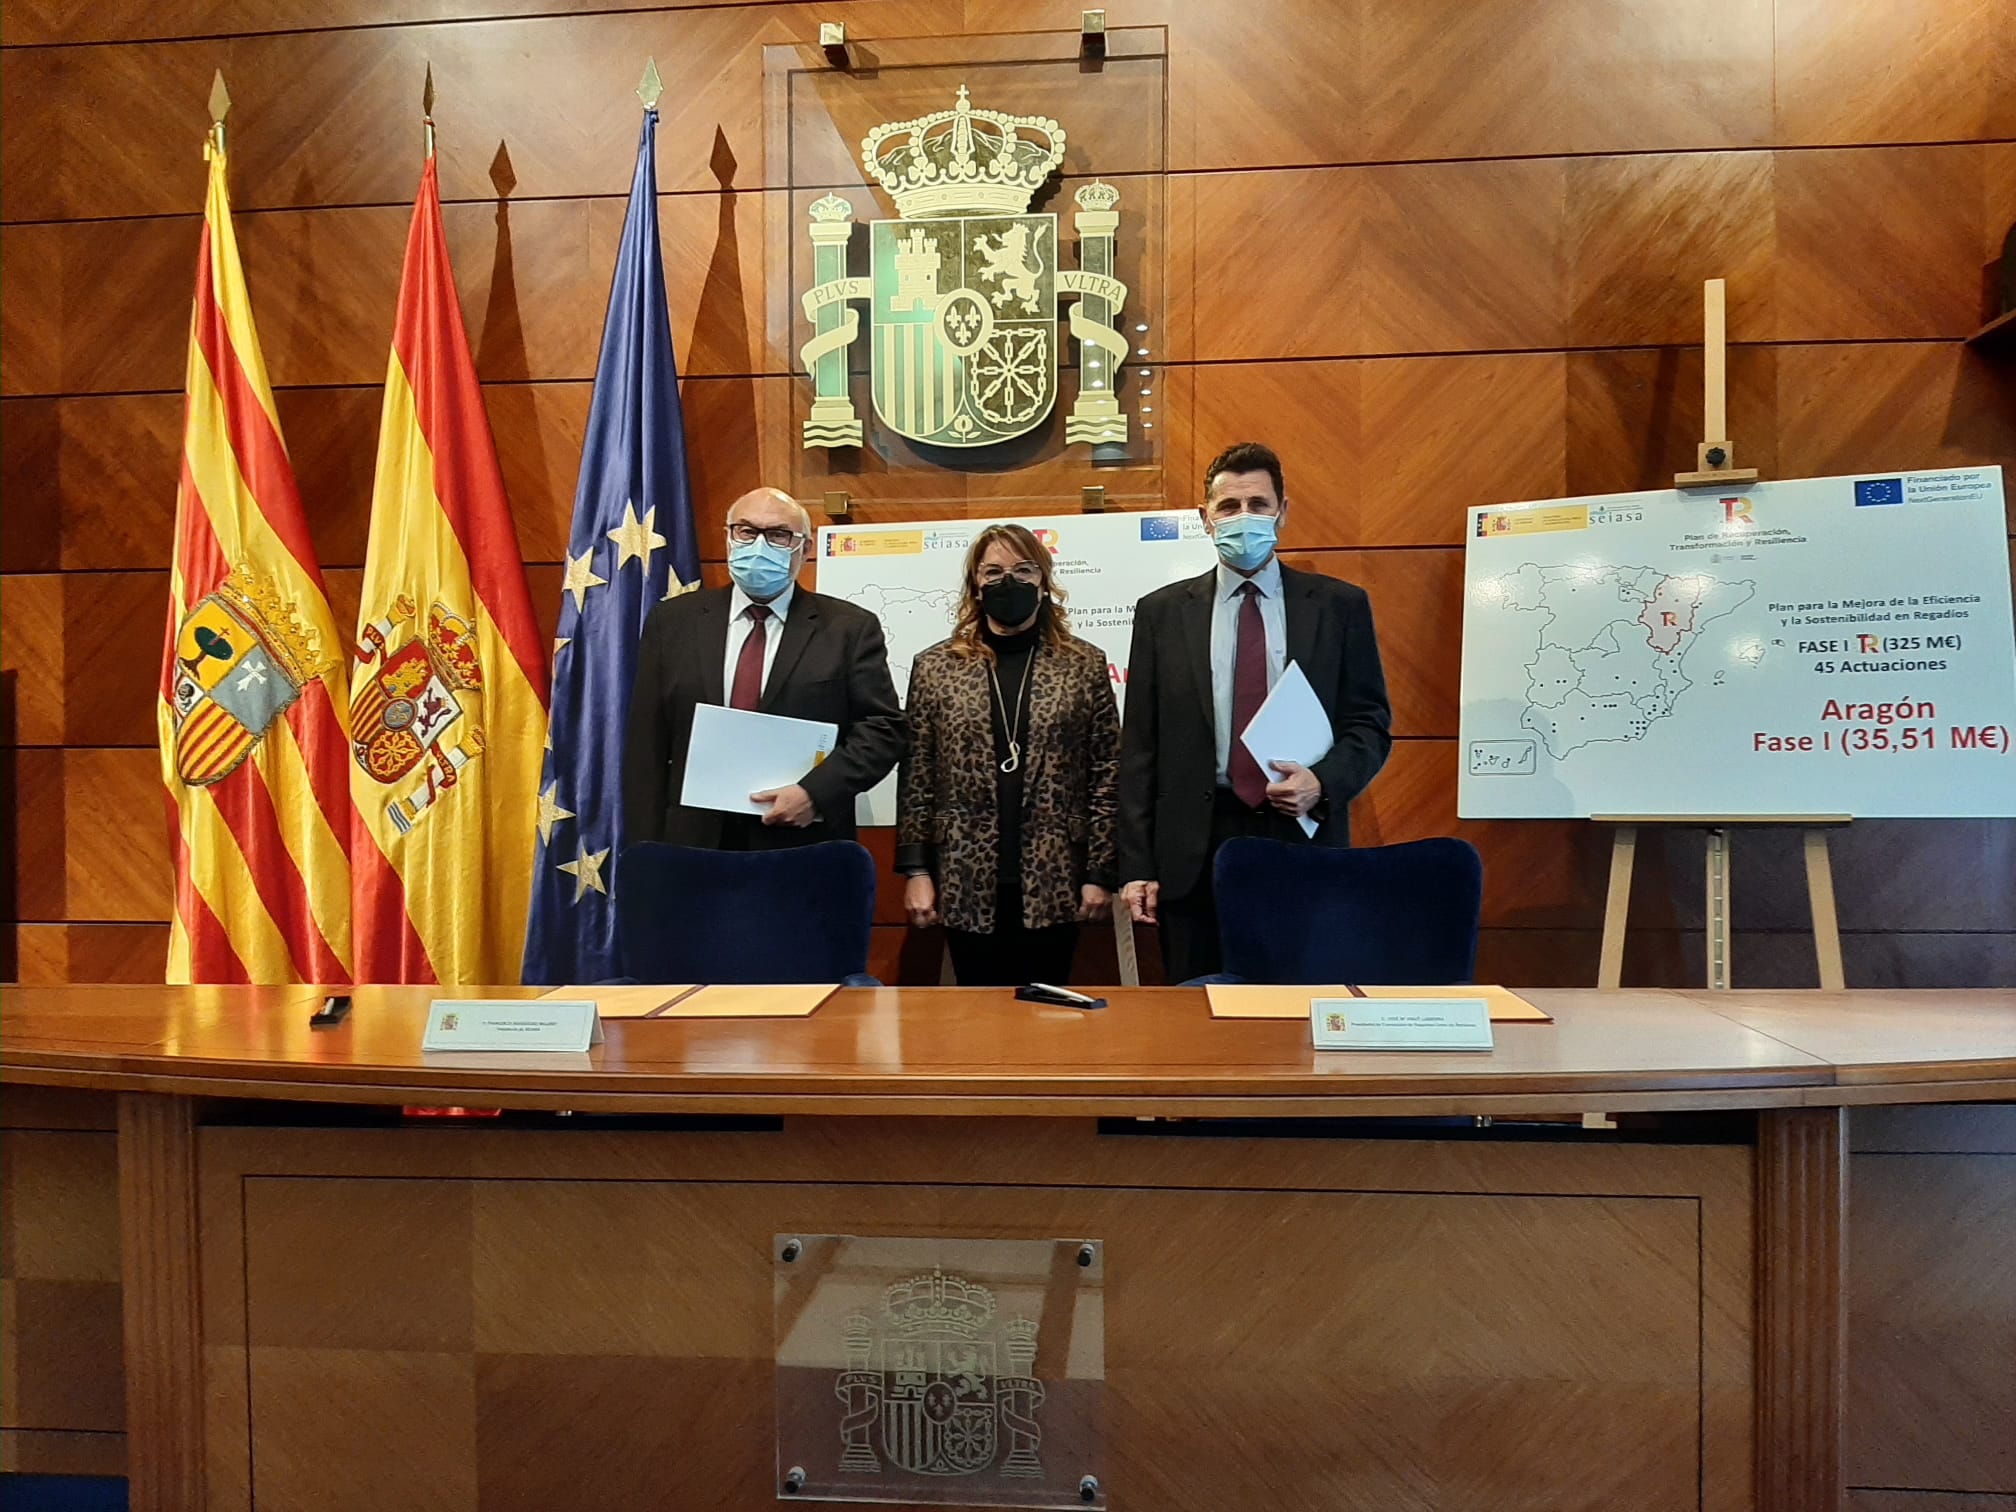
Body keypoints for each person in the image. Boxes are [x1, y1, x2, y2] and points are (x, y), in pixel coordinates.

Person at [1118, 442, 1392, 981]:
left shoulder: (1339, 606)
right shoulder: (1161, 613)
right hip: (1191, 849)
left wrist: (1323, 782)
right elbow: (1140, 747)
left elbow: (1369, 724)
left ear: (1282, 512)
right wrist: (1136, 866)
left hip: (1299, 833)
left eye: (1258, 505)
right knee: (1195, 1008)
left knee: (1297, 1005)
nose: (1244, 518)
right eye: (1229, 506)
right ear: (1206, 518)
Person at [896, 523, 1119, 986]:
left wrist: (1100, 872)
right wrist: (916, 869)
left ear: (1043, 581)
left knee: (1048, 1010)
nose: (1008, 582)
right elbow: (918, 776)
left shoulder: (1084, 664)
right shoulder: (935, 667)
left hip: (1057, 873)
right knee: (977, 1013)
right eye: (993, 572)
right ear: (976, 584)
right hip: (963, 873)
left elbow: (1107, 774)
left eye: (1023, 570)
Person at [623, 487, 905, 851]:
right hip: (691, 843)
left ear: (805, 549)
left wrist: (816, 793)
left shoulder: (848, 628)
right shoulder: (673, 622)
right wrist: (645, 849)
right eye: (746, 531)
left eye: (778, 535)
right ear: (728, 538)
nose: (759, 546)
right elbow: (646, 741)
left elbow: (882, 729)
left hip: (802, 845)